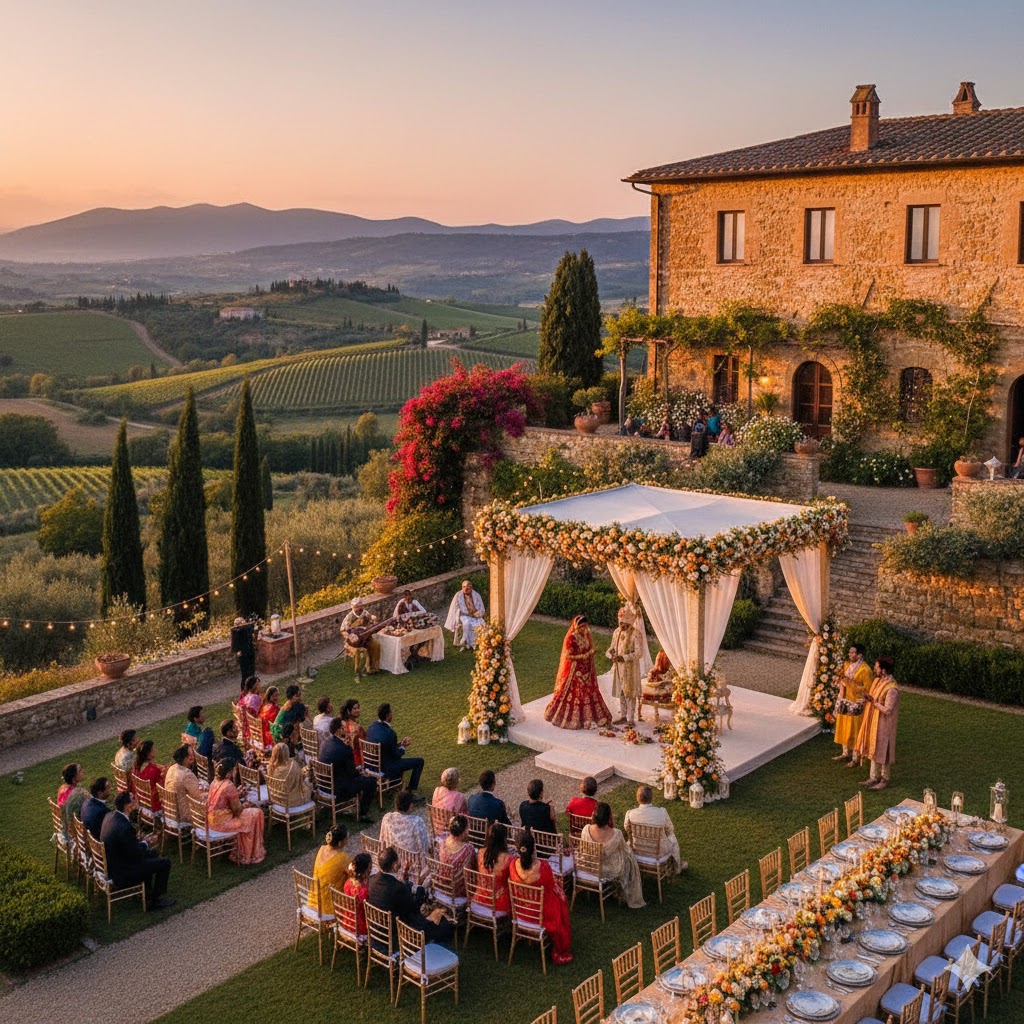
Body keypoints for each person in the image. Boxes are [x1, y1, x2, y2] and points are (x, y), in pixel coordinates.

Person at [368, 846, 455, 949]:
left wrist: (406, 884)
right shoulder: (397, 888)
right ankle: (435, 953)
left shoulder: (372, 880)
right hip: (400, 934)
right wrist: (420, 891)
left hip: (378, 931)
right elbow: (414, 908)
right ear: (395, 865)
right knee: (447, 927)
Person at [100, 790, 175, 910]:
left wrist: (140, 841)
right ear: (128, 806)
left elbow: (127, 845)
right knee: (165, 863)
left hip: (116, 862)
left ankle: (147, 892)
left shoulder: (110, 816)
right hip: (123, 871)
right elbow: (136, 853)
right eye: (133, 798)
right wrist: (147, 842)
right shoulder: (124, 827)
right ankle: (155, 901)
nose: (136, 800)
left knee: (153, 853)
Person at [509, 828, 573, 965]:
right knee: (559, 900)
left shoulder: (512, 866)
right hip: (539, 915)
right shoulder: (543, 867)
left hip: (521, 912)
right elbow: (551, 888)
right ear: (533, 847)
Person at [544, 615, 612, 730]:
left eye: (584, 626)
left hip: (587, 669)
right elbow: (568, 656)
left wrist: (591, 652)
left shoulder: (587, 634)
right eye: (580, 627)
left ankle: (590, 717)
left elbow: (590, 647)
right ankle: (574, 719)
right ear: (576, 626)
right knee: (578, 692)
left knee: (589, 691)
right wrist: (584, 655)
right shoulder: (571, 638)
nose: (583, 629)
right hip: (575, 669)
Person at [580, 802, 645, 908]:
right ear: (608, 817)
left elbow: (583, 849)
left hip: (591, 867)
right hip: (610, 870)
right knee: (629, 859)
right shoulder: (617, 834)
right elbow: (626, 850)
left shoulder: (586, 829)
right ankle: (623, 891)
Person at [856, 656, 901, 792]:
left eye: (877, 667)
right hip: (874, 720)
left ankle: (884, 778)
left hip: (884, 724)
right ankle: (873, 776)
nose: (875, 669)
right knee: (874, 746)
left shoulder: (892, 688)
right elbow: (872, 697)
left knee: (883, 749)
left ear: (884, 670)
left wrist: (874, 702)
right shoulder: (877, 681)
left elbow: (888, 710)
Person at [208, 760, 266, 865]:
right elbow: (238, 811)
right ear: (229, 773)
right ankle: (248, 854)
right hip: (223, 823)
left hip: (212, 820)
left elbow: (223, 801)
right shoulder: (228, 785)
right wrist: (245, 804)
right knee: (257, 813)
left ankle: (245, 850)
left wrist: (237, 795)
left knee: (252, 812)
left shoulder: (215, 782)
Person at [319, 717, 376, 822]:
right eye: (344, 727)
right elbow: (352, 774)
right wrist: (360, 771)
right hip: (338, 790)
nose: (347, 729)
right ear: (338, 730)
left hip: (323, 786)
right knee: (371, 781)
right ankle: (363, 814)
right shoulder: (344, 748)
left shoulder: (325, 743)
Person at [365, 703, 424, 800]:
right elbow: (396, 755)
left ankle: (394, 785)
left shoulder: (372, 727)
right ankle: (409, 792)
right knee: (419, 762)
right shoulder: (390, 733)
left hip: (371, 765)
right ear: (388, 716)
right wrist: (403, 746)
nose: (392, 715)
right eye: (391, 713)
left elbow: (385, 747)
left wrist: (399, 744)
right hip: (386, 768)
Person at [623, 785, 685, 873]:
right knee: (672, 837)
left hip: (637, 852)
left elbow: (627, 829)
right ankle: (677, 867)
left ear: (637, 798)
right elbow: (670, 829)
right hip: (659, 855)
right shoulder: (661, 812)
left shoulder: (630, 814)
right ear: (651, 797)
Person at [833, 642, 873, 766]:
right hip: (845, 700)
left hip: (857, 703)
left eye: (853, 652)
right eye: (849, 652)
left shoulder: (865, 670)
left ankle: (855, 757)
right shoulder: (846, 665)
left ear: (860, 655)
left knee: (855, 730)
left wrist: (849, 682)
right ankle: (845, 753)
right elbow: (842, 682)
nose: (850, 654)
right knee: (844, 726)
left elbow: (867, 690)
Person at [379, 789, 432, 878]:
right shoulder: (417, 822)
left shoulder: (387, 818)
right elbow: (424, 848)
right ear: (410, 806)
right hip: (413, 868)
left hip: (391, 862)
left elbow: (382, 842)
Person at [607, 604, 642, 726]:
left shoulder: (636, 634)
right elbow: (611, 648)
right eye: (620, 623)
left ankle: (631, 719)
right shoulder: (617, 632)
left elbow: (639, 653)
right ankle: (623, 715)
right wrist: (611, 655)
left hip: (630, 668)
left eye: (624, 624)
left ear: (630, 622)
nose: (621, 626)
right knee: (622, 692)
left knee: (630, 692)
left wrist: (624, 658)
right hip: (619, 668)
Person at [472, 822, 511, 914]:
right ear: (504, 839)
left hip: (479, 898)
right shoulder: (508, 859)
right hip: (498, 905)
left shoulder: (481, 853)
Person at [310, 824, 350, 913]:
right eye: (346, 839)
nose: (348, 840)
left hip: (315, 898)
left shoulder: (322, 849)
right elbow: (351, 875)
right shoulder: (342, 858)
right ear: (340, 843)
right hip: (328, 906)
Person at [341, 598, 380, 678]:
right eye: (356, 607)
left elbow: (372, 623)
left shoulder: (366, 613)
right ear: (352, 607)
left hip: (366, 638)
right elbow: (343, 631)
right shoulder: (349, 617)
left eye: (359, 606)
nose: (358, 608)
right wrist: (351, 638)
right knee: (357, 651)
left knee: (376, 645)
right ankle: (357, 671)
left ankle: (373, 668)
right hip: (353, 642)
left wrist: (371, 626)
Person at [439, 814, 475, 897]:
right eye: (467, 829)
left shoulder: (443, 843)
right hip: (458, 890)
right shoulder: (468, 849)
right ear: (463, 832)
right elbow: (473, 868)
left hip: (443, 885)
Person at [164, 745, 203, 823]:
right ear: (185, 759)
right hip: (184, 815)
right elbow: (198, 796)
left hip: (170, 812)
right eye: (191, 755)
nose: (193, 757)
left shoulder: (172, 768)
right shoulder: (187, 775)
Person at [267, 742, 312, 808]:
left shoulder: (270, 768)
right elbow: (300, 783)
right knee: (309, 785)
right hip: (291, 802)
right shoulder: (293, 766)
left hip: (277, 801)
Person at [445, 579, 486, 651]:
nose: (465, 589)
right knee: (466, 624)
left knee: (481, 623)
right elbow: (454, 607)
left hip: (475, 615)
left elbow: (481, 607)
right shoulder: (458, 595)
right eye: (463, 587)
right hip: (464, 616)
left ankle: (480, 642)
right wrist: (457, 616)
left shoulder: (476, 595)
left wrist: (478, 613)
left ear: (471, 587)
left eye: (467, 587)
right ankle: (465, 644)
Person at [343, 853, 373, 938]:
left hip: (348, 922)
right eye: (370, 867)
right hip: (361, 929)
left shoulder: (347, 883)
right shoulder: (366, 890)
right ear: (366, 871)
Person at [133, 741, 166, 813]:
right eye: (153, 749)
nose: (155, 750)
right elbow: (163, 788)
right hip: (155, 807)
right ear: (148, 754)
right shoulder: (153, 770)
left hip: (143, 804)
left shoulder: (137, 767)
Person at [57, 763, 87, 830]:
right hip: (75, 830)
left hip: (64, 826)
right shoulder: (80, 793)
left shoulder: (62, 788)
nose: (83, 771)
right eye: (80, 771)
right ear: (73, 779)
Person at [230, 616, 258, 687]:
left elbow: (252, 637)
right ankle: (245, 688)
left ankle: (252, 686)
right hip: (243, 654)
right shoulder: (236, 632)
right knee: (245, 673)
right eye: (241, 623)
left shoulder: (248, 629)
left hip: (249, 651)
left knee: (252, 671)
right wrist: (238, 652)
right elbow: (235, 644)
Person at [339, 699, 367, 767]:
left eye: (358, 708)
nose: (357, 710)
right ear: (348, 711)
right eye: (354, 709)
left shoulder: (343, 723)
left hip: (345, 757)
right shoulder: (358, 728)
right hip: (358, 760)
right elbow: (365, 744)